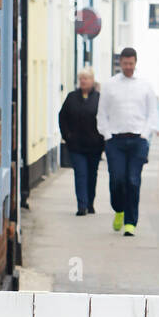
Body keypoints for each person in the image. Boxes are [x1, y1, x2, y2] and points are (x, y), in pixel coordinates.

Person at [97, 47, 158, 237]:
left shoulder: (145, 85)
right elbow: (102, 113)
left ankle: (131, 222)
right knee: (117, 180)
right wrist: (107, 135)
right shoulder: (110, 85)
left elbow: (152, 113)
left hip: (138, 140)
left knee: (133, 181)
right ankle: (119, 210)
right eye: (125, 64)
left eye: (131, 63)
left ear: (136, 63)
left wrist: (144, 135)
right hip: (115, 141)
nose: (128, 67)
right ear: (120, 64)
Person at [58, 67, 104, 216]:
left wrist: (103, 140)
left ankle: (90, 203)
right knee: (80, 174)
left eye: (86, 78)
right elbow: (62, 117)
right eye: (81, 79)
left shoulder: (99, 98)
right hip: (76, 145)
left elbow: (105, 119)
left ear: (92, 80)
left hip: (94, 146)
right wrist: (67, 136)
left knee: (92, 175)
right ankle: (81, 206)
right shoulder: (71, 97)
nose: (83, 81)